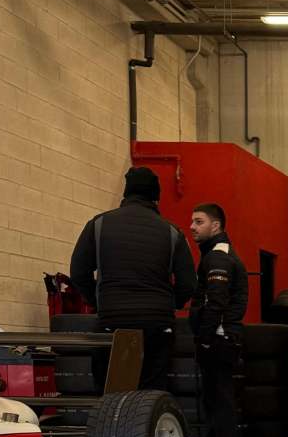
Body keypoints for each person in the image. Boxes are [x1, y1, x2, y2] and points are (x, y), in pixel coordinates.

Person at [69, 167, 196, 390]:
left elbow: (79, 272)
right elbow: (188, 283)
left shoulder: (98, 225)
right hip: (157, 324)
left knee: (111, 389)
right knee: (151, 394)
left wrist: (98, 302)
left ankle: (113, 421)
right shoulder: (171, 232)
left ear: (125, 194)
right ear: (156, 197)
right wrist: (171, 304)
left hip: (113, 320)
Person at [188, 203, 248, 437]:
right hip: (221, 337)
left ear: (216, 225)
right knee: (215, 399)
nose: (192, 227)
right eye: (192, 221)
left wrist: (204, 340)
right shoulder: (215, 254)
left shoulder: (218, 258)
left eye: (199, 221)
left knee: (220, 401)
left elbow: (216, 302)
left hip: (218, 339)